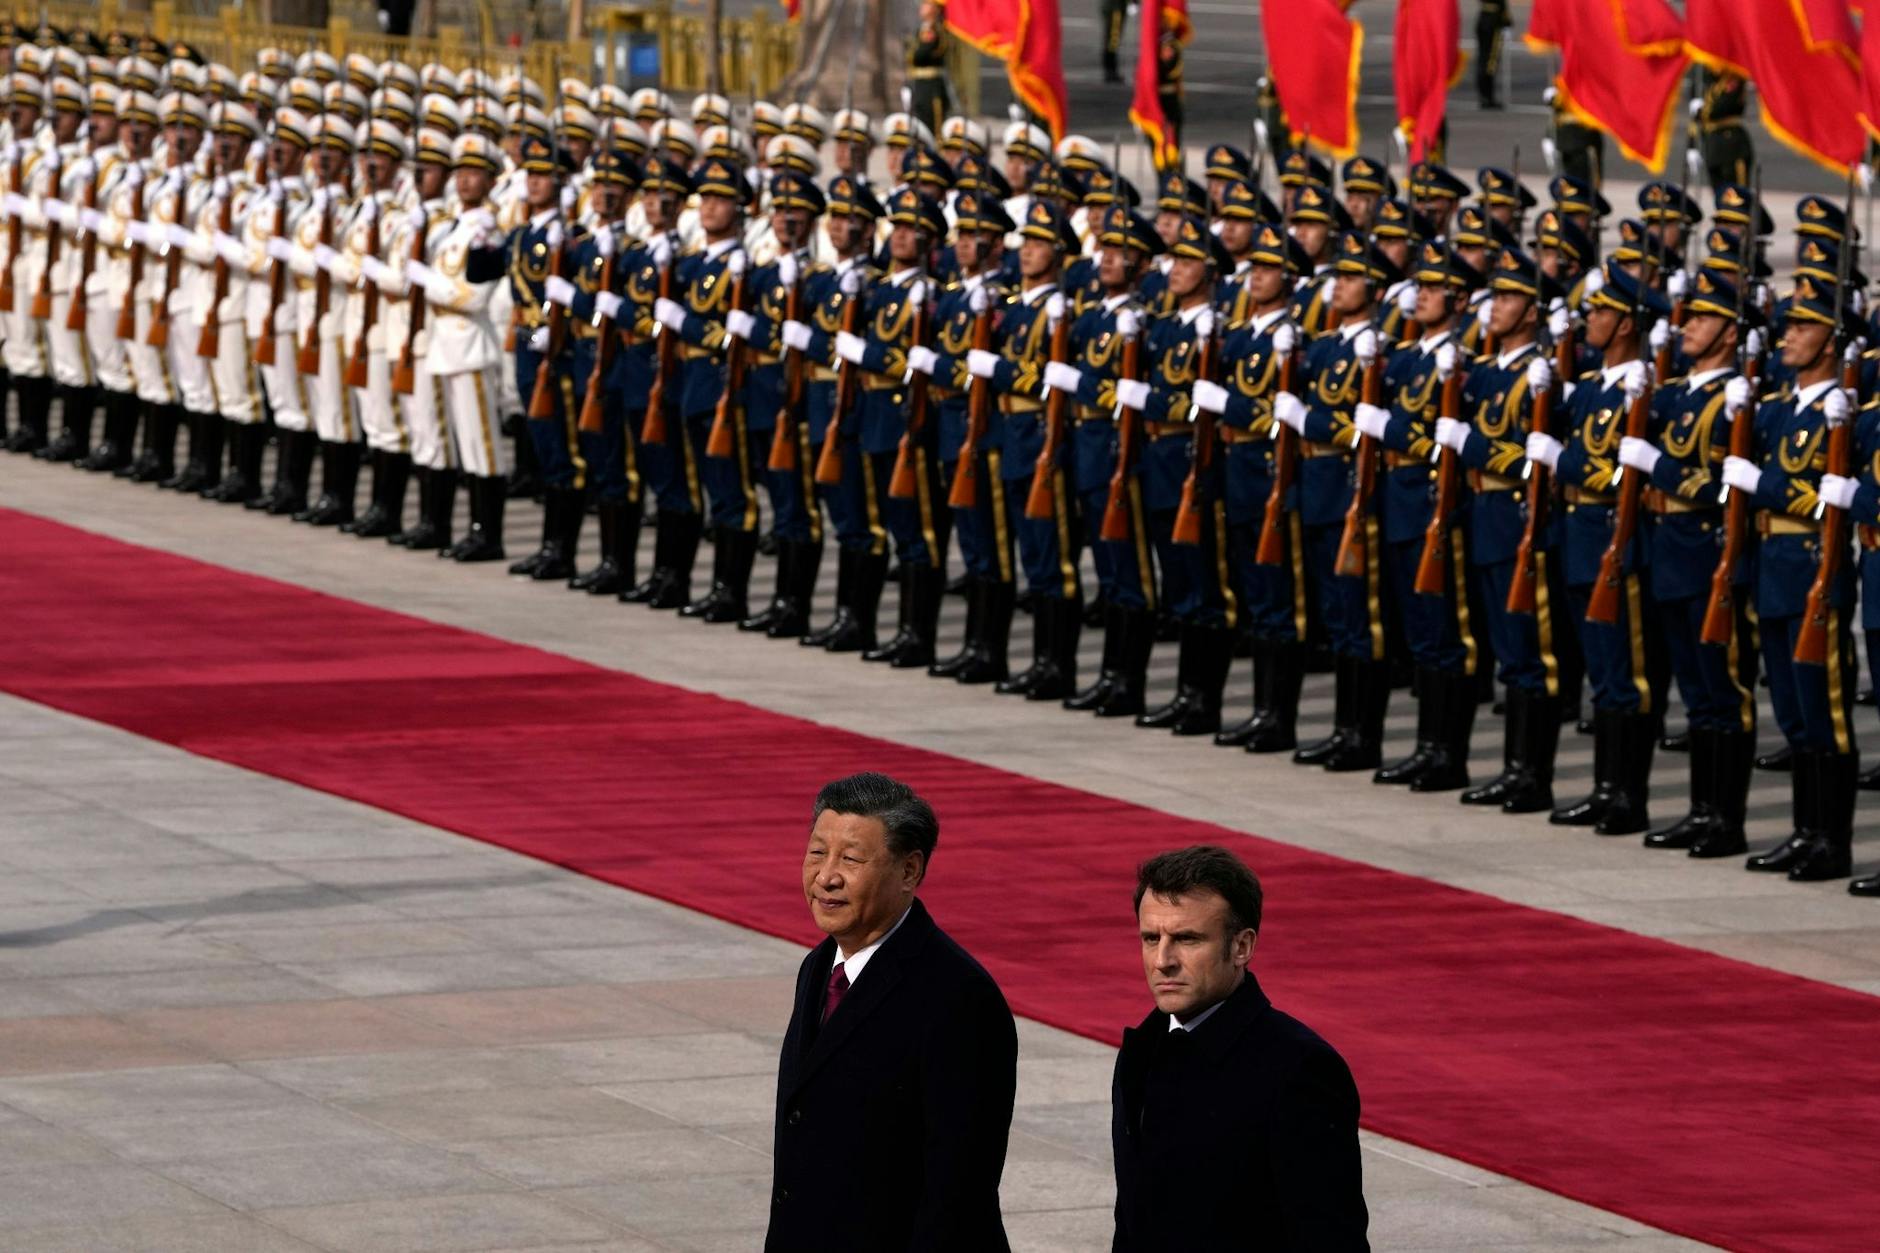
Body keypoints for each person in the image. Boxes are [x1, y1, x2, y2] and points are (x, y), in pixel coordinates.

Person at [768, 772, 1016, 1252]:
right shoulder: (820, 965)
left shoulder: (958, 997)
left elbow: (958, 1187)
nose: (826, 876)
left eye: (852, 859)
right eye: (818, 852)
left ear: (909, 871)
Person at [1113, 845, 1369, 1248]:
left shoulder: (1299, 1069)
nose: (1162, 960)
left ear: (1241, 947)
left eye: (1187, 939)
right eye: (1150, 938)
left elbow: (1329, 1236)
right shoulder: (1142, 1049)